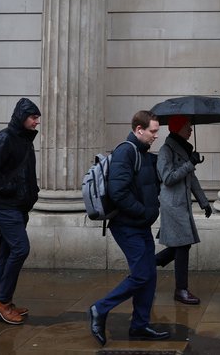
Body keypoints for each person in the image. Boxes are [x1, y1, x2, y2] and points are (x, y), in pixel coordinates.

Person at [88, 110, 169, 346]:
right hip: (127, 226)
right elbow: (118, 192)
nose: (156, 136)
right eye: (153, 131)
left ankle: (140, 326)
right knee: (142, 274)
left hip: (139, 225)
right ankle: (99, 309)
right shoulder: (126, 151)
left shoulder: (143, 154)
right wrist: (143, 212)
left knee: (150, 275)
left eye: (157, 131)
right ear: (139, 130)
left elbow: (145, 185)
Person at [0, 98, 41, 325]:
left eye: (37, 118)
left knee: (7, 252)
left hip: (18, 205)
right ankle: (3, 302)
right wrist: (11, 189)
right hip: (5, 205)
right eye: (33, 118)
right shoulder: (4, 138)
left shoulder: (24, 140)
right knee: (20, 248)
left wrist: (31, 192)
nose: (36, 122)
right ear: (22, 117)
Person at [155, 115, 212, 305]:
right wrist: (190, 164)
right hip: (172, 205)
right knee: (182, 246)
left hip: (182, 204)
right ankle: (181, 290)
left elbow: (191, 179)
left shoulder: (184, 149)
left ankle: (149, 265)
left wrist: (204, 202)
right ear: (177, 128)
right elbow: (167, 178)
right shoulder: (166, 150)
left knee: (181, 245)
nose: (191, 130)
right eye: (187, 127)